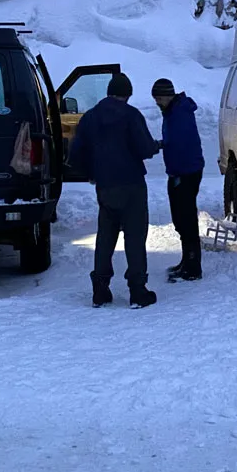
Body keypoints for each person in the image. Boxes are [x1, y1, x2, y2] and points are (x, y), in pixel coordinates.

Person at [68, 72, 161, 309]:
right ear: (127, 94)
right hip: (132, 185)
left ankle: (100, 290)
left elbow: (76, 153)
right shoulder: (131, 115)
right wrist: (154, 146)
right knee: (134, 237)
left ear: (109, 92)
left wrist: (91, 172)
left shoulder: (90, 117)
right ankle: (138, 291)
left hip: (105, 186)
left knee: (106, 237)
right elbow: (143, 148)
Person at [151, 78, 206, 282]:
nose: (156, 102)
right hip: (180, 172)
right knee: (181, 218)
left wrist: (164, 146)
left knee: (186, 219)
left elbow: (180, 144)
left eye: (158, 97)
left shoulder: (179, 112)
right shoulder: (173, 111)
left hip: (185, 173)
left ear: (167, 95)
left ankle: (193, 267)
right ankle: (187, 261)